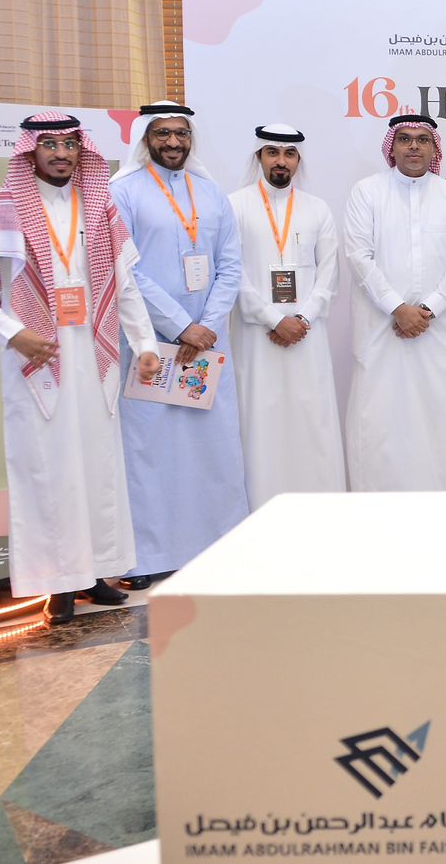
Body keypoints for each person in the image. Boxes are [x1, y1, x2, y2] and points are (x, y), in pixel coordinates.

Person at [0, 113, 162, 623]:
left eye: (69, 144)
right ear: (31, 151)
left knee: (96, 467)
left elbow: (125, 284)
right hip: (39, 357)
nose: (61, 153)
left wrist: (145, 343)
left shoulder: (99, 205)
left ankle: (95, 574)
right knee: (49, 471)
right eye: (49, 144)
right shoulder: (9, 206)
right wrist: (13, 333)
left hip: (95, 356)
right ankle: (58, 583)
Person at [110, 101, 249, 590]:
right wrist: (179, 324)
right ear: (145, 138)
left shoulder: (211, 194)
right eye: (163, 134)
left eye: (181, 133)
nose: (173, 142)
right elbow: (126, 269)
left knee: (213, 449)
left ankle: (219, 547)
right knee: (150, 452)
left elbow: (230, 264)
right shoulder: (123, 192)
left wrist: (206, 324)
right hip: (151, 343)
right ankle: (149, 557)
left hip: (206, 345)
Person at [342, 114, 446, 491]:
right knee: (379, 425)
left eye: (422, 139)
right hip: (380, 331)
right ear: (392, 147)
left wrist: (428, 309)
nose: (414, 146)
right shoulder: (367, 192)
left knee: (438, 426)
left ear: (435, 148)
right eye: (404, 139)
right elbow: (358, 255)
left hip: (439, 334)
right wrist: (397, 308)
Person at [227, 125, 346, 509]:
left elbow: (329, 272)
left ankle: (317, 511)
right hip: (256, 339)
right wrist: (272, 318)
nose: (281, 161)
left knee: (311, 420)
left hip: (306, 337)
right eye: (273, 153)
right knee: (260, 422)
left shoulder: (317, 208)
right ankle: (260, 510)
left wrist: (302, 318)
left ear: (298, 160)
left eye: (289, 154)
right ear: (259, 157)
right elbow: (231, 271)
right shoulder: (235, 206)